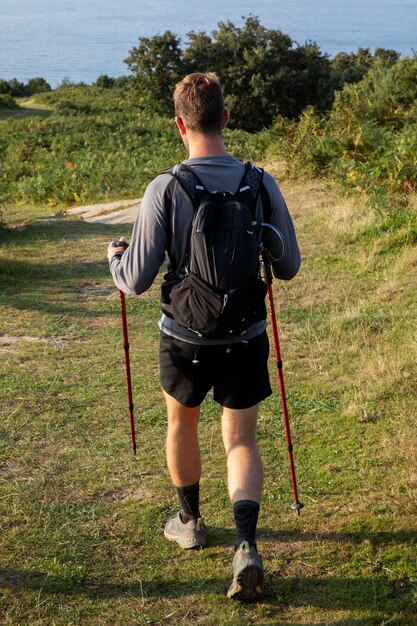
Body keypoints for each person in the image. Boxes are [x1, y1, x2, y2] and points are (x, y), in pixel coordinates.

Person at [108, 72, 301, 602]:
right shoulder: (260, 183)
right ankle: (245, 545)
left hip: (184, 335)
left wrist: (114, 258)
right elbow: (289, 266)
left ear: (179, 124)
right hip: (246, 334)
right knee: (240, 439)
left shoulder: (165, 188)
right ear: (226, 117)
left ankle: (189, 522)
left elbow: (136, 280)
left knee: (181, 424)